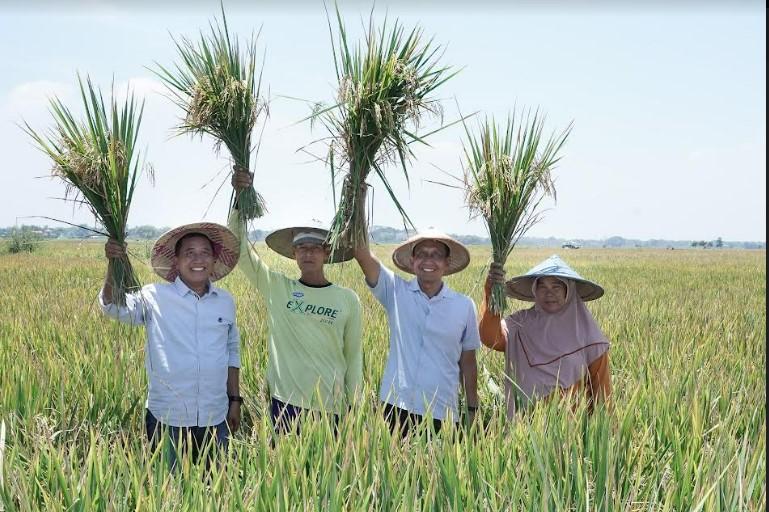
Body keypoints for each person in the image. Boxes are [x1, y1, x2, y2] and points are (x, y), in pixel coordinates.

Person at [230, 170, 363, 435]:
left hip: (331, 407)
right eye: (302, 247)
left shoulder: (348, 299)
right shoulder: (278, 287)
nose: (308, 253)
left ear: (327, 252)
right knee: (286, 472)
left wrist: (354, 406)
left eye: (315, 247)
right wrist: (239, 199)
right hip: (285, 404)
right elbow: (240, 251)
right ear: (294, 253)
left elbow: (354, 357)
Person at [100, 223, 242, 469]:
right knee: (170, 493)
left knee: (219, 489)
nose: (198, 259)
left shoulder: (225, 302)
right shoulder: (153, 296)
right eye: (189, 253)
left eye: (205, 252)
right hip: (167, 418)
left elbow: (231, 352)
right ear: (176, 260)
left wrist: (235, 401)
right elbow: (114, 307)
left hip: (215, 414)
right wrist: (114, 264)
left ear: (214, 258)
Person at [353, 230, 480, 437]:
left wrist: (472, 408)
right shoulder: (395, 291)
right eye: (421, 254)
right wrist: (358, 198)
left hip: (442, 412)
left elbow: (468, 362)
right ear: (412, 261)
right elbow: (361, 253)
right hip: (395, 407)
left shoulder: (464, 306)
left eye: (436, 254)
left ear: (447, 262)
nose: (428, 260)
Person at [479, 254, 612, 418]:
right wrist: (492, 294)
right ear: (535, 290)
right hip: (523, 428)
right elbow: (491, 339)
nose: (549, 293)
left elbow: (602, 395)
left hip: (570, 432)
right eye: (542, 287)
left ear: (568, 291)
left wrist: (605, 436)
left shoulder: (589, 337)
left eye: (556, 287)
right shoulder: (520, 323)